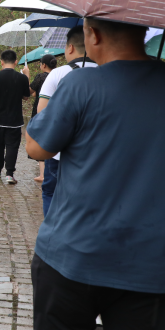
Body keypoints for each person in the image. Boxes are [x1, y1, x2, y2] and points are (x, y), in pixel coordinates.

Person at [25, 18, 165, 330]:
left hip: (73, 255)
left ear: (92, 34)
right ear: (146, 33)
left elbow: (36, 148)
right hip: (152, 265)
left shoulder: (82, 84)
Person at [30, 27, 98, 216]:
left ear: (70, 48)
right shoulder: (107, 72)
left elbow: (41, 111)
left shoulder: (58, 73)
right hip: (96, 154)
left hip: (60, 152)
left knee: (51, 192)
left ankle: (51, 237)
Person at [0, 50, 30, 184]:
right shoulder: (21, 78)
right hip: (14, 120)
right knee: (12, 146)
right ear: (16, 62)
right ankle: (9, 174)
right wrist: (27, 76)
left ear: (2, 62)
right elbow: (26, 97)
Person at [23, 54, 57, 182]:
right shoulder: (58, 76)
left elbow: (28, 91)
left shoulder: (41, 76)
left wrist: (26, 74)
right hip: (55, 110)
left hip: (40, 109)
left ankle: (42, 174)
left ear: (43, 65)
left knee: (40, 139)